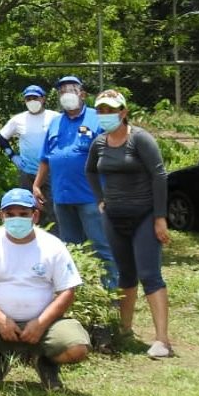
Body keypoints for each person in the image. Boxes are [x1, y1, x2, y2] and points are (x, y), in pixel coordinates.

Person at [0, 188, 90, 390]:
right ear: (1, 215)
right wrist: (0, 319)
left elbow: (67, 291)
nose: (17, 219)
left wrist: (41, 323)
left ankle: (46, 364)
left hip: (44, 324)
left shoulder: (53, 246)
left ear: (35, 215)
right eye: (10, 214)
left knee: (77, 347)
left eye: (23, 214)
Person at [86, 90, 174, 359]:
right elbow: (90, 170)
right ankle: (124, 330)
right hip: (113, 217)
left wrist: (160, 218)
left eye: (110, 110)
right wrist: (101, 200)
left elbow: (159, 175)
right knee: (125, 275)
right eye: (100, 110)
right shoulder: (99, 142)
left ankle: (162, 340)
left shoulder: (140, 139)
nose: (105, 115)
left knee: (149, 274)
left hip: (144, 216)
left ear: (123, 112)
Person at [33, 76, 118, 289]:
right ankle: (77, 294)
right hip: (62, 197)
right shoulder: (55, 122)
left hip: (92, 197)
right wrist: (36, 184)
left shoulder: (98, 118)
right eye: (61, 91)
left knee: (102, 246)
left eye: (71, 89)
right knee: (70, 249)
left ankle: (112, 294)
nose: (66, 94)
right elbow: (46, 157)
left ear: (83, 94)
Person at [0, 85, 59, 234]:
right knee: (28, 206)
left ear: (43, 99)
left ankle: (56, 238)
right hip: (27, 171)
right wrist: (12, 155)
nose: (32, 101)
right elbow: (1, 136)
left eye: (35, 98)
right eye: (28, 98)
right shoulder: (18, 119)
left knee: (53, 208)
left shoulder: (55, 117)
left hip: (51, 172)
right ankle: (30, 235)